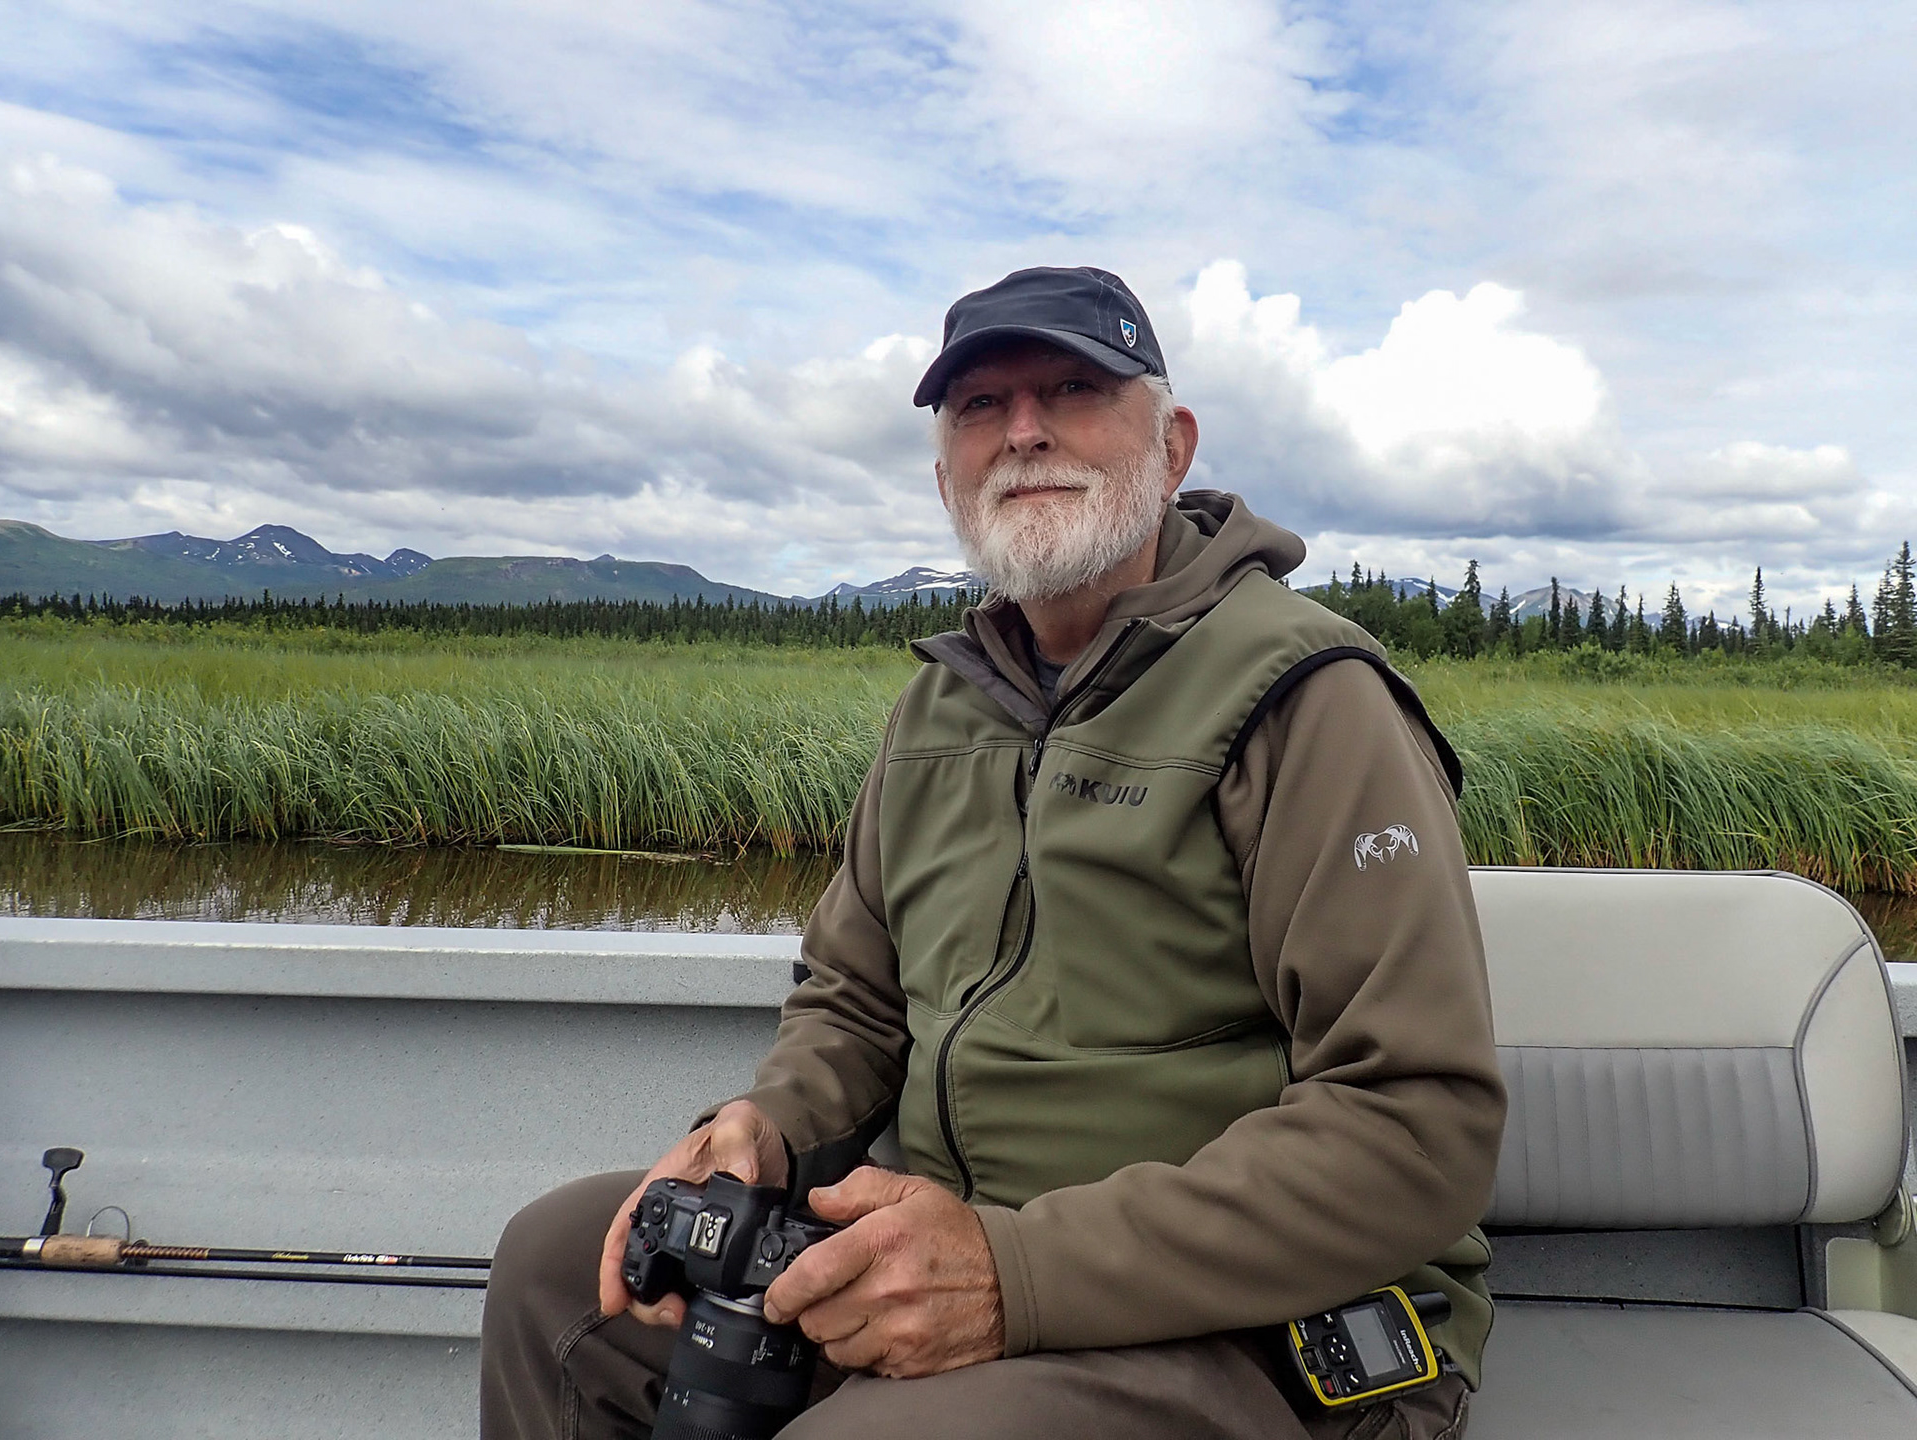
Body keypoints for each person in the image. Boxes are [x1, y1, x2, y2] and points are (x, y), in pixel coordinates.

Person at [481, 266, 1506, 1440]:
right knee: (557, 1273)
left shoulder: (1307, 697)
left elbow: (1416, 1124)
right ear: (944, 474)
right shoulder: (940, 711)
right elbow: (856, 1004)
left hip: (1254, 1330)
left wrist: (1010, 1276)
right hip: (947, 1250)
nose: (1023, 431)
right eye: (981, 407)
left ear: (1172, 448)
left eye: (1073, 388)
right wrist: (768, 1125)